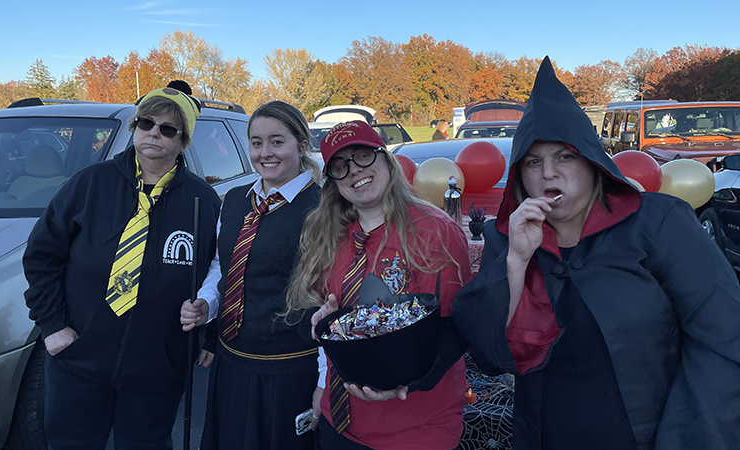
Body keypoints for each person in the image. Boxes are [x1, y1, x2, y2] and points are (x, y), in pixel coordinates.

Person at [453, 57, 740, 449]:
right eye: (534, 162)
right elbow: (488, 354)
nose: (548, 174)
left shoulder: (656, 224)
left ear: (591, 162)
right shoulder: (508, 238)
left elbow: (723, 339)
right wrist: (517, 261)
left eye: (564, 157)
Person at [23, 85, 221, 449]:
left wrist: (210, 333)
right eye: (146, 123)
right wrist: (52, 326)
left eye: (168, 129)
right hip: (78, 359)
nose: (153, 133)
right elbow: (41, 256)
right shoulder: (90, 183)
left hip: (156, 367)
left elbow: (220, 271)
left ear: (184, 141)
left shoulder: (202, 201)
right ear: (135, 127)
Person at [286, 120, 471, 450]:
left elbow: (457, 328)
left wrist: (404, 383)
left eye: (362, 156)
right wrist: (316, 320)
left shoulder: (434, 231)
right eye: (341, 166)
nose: (354, 170)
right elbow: (310, 307)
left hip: (416, 429)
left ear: (386, 160)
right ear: (333, 183)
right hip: (339, 420)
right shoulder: (328, 234)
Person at [180, 100, 323, 450]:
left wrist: (323, 379)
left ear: (302, 145)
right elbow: (222, 264)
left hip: (289, 369)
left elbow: (332, 297)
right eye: (256, 142)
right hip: (233, 361)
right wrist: (207, 304)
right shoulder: (234, 201)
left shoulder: (321, 209)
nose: (265, 152)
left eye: (277, 141)